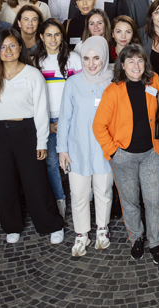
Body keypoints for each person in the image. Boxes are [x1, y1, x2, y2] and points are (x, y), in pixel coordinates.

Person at [0, 29, 65, 245]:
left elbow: (41, 110)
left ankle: (51, 225)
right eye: (3, 46)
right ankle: (12, 226)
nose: (8, 50)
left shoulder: (32, 74)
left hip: (27, 131)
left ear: (20, 47)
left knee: (35, 181)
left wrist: (42, 142)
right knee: (3, 183)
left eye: (12, 45)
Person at [92, 43, 159, 263]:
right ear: (122, 65)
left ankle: (155, 242)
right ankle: (136, 238)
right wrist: (113, 152)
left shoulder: (154, 82)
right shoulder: (113, 91)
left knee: (153, 200)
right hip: (123, 155)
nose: (136, 65)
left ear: (145, 63)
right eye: (130, 61)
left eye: (140, 60)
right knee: (130, 200)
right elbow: (99, 126)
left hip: (151, 153)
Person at [56, 36, 114, 257]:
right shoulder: (73, 83)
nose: (91, 63)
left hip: (103, 150)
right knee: (79, 193)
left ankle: (102, 228)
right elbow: (65, 119)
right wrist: (62, 148)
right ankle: (81, 233)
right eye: (87, 58)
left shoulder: (111, 82)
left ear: (104, 57)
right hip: (77, 149)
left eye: (97, 58)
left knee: (103, 191)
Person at [30, 18, 82, 216]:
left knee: (74, 159)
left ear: (62, 36)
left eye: (57, 34)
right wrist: (47, 124)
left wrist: (69, 119)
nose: (53, 39)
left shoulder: (74, 58)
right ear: (42, 37)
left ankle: (80, 197)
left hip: (71, 116)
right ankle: (60, 199)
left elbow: (80, 90)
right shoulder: (36, 61)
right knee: (51, 162)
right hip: (47, 119)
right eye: (49, 35)